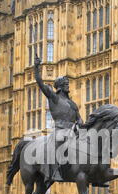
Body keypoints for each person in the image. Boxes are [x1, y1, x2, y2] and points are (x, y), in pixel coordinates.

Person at [34, 54, 83, 183]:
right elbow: (40, 83)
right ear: (60, 86)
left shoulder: (72, 104)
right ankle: (54, 171)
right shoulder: (54, 97)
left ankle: (92, 172)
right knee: (59, 142)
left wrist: (81, 125)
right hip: (60, 130)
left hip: (73, 131)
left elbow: (79, 119)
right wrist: (36, 68)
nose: (68, 86)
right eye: (66, 84)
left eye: (68, 84)